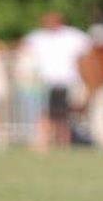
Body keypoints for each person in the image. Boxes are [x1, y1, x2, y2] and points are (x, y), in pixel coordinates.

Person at [19, 12, 91, 151]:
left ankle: (64, 142)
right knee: (44, 113)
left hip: (65, 82)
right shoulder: (37, 37)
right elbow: (23, 47)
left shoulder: (73, 36)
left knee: (63, 115)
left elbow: (89, 50)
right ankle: (43, 142)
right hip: (44, 83)